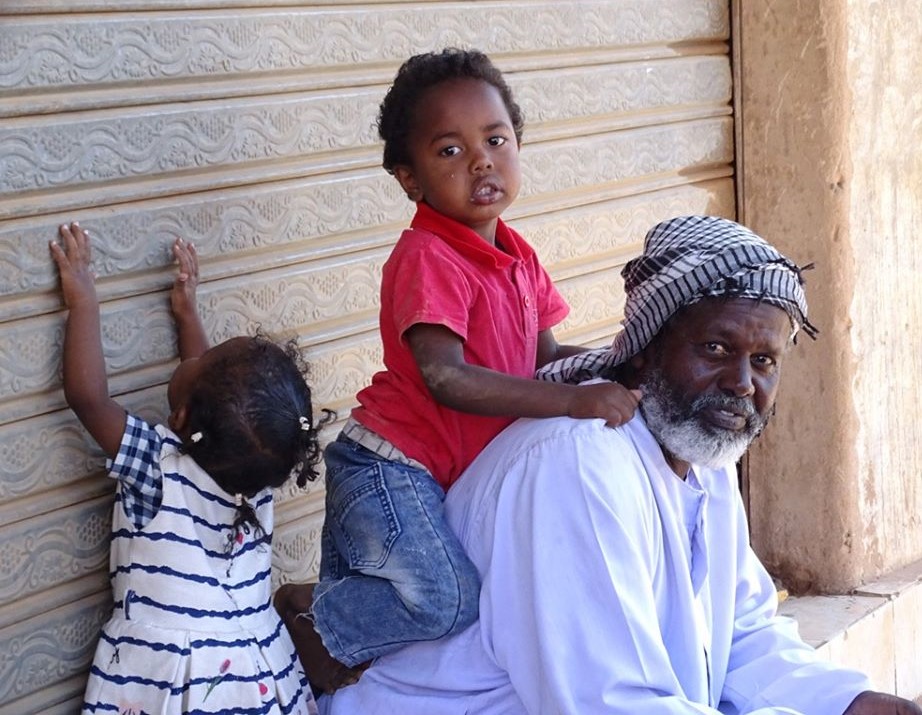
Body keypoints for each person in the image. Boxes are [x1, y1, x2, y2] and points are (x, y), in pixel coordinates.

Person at [321, 215, 922, 714]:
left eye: (764, 360)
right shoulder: (575, 463)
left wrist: (852, 703)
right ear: (642, 354)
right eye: (715, 348)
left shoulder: (703, 456)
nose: (742, 384)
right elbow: (610, 703)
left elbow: (743, 635)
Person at [274, 47, 641, 693]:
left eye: (496, 139)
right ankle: (312, 617)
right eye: (448, 150)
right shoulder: (430, 254)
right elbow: (445, 376)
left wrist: (621, 368)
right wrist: (573, 404)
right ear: (408, 179)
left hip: (431, 475)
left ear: (518, 145)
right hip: (392, 467)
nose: (480, 160)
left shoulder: (516, 253)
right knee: (447, 602)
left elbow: (544, 362)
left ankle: (328, 644)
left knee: (413, 625)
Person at [50, 222, 327, 715]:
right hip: (253, 671)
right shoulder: (256, 471)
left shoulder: (157, 465)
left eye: (205, 358)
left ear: (179, 419)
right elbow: (213, 391)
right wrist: (186, 311)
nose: (197, 354)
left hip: (180, 682)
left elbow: (88, 398)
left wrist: (84, 300)